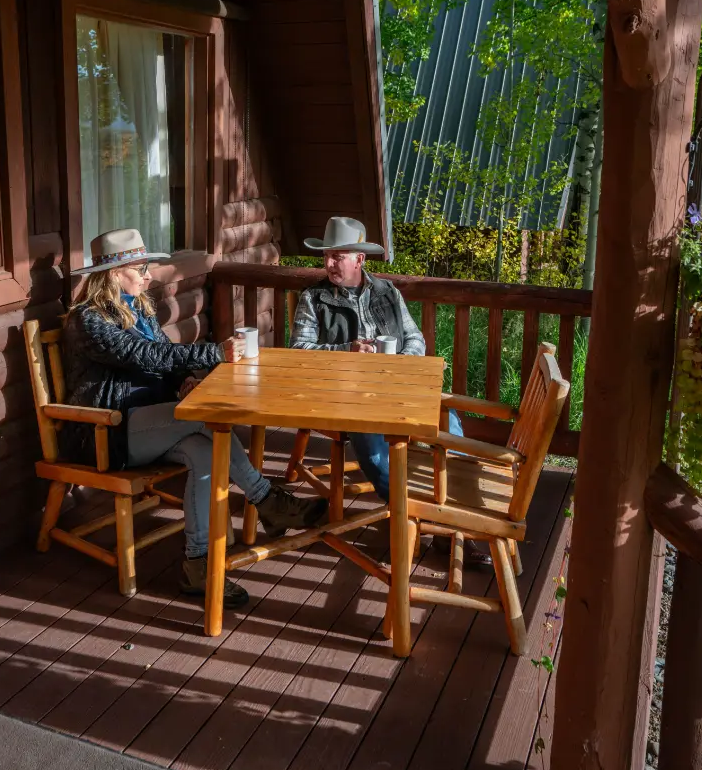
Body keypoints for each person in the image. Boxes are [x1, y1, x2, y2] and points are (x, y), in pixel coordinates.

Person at [62, 228, 328, 609]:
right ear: (114, 273)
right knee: (208, 418)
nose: (148, 275)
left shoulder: (136, 308)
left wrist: (184, 379)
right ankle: (267, 499)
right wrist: (214, 354)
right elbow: (144, 355)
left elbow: (163, 357)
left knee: (205, 453)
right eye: (141, 268)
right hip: (107, 431)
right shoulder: (88, 320)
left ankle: (197, 565)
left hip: (146, 424)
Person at [289, 215, 492, 567]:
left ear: (359, 259)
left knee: (449, 425)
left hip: (397, 385)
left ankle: (450, 517)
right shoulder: (314, 298)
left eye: (338, 256)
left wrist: (399, 361)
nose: (330, 263)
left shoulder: (387, 292)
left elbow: (416, 337)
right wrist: (347, 351)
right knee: (375, 452)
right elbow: (298, 354)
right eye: (327, 256)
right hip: (349, 395)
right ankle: (426, 521)